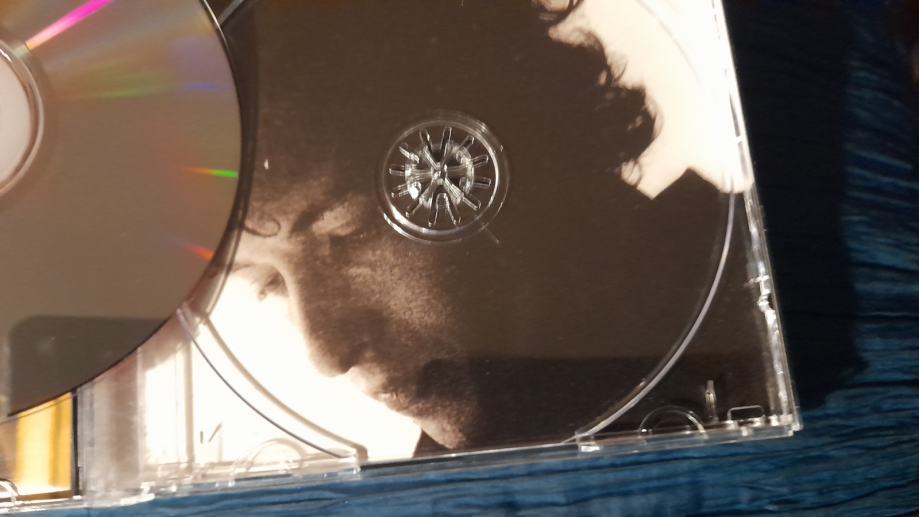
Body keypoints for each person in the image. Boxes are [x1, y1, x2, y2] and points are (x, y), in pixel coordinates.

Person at [225, 0, 727, 454]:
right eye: (268, 283)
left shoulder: (758, 297)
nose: (326, 353)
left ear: (501, 150)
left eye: (350, 232)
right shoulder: (445, 492)